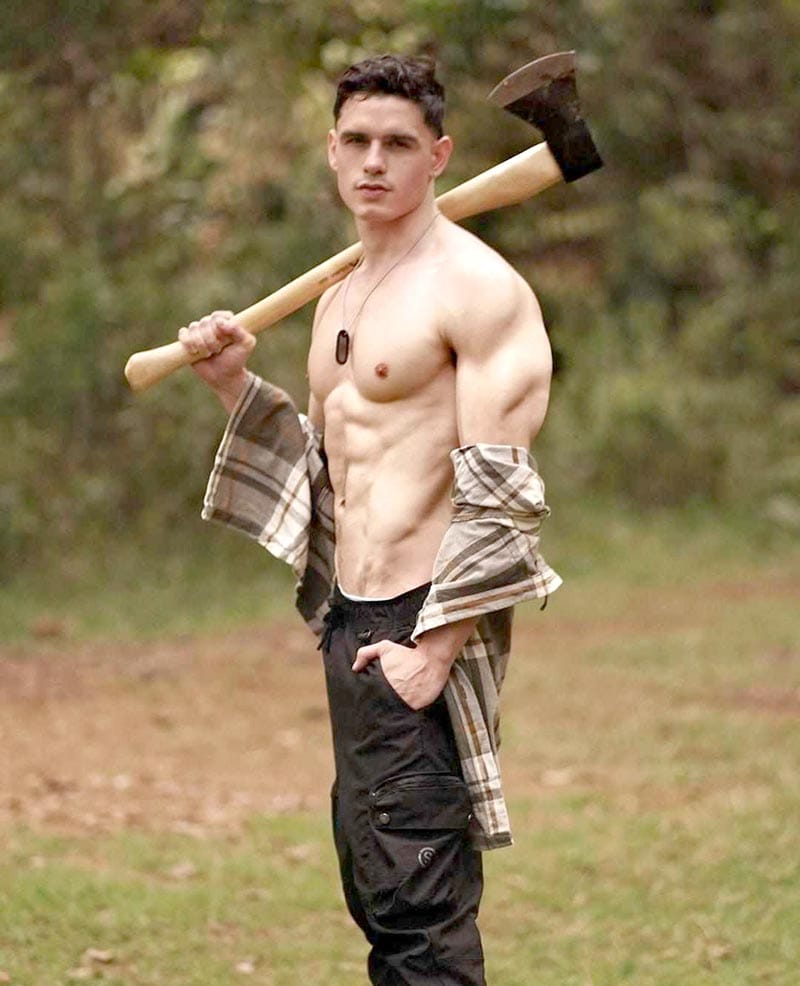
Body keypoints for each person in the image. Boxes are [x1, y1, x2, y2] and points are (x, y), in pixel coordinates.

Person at [179, 54, 561, 986]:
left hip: (422, 619)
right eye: (357, 141)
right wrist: (234, 384)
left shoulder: (477, 290)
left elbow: (503, 490)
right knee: (377, 884)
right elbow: (335, 463)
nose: (374, 161)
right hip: (351, 619)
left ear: (440, 155)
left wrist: (432, 651)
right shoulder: (341, 294)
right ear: (332, 151)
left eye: (397, 142)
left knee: (419, 911)